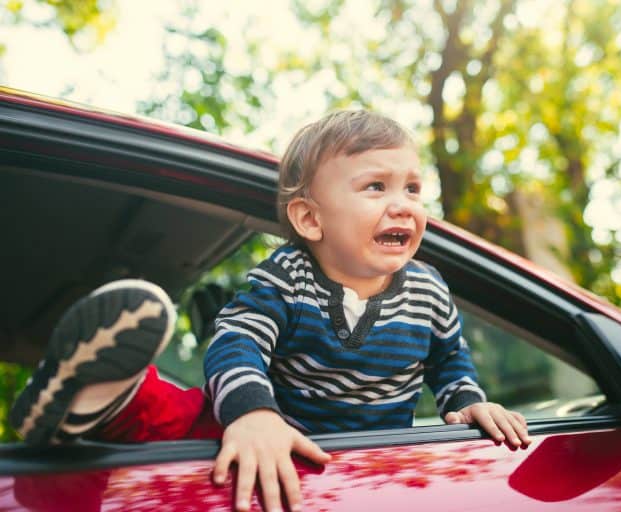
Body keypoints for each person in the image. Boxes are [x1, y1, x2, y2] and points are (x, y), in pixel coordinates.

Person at [11, 110, 531, 512]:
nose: (404, 205)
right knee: (185, 413)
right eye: (376, 186)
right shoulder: (287, 277)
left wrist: (466, 404)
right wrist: (255, 415)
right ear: (309, 219)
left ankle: (98, 401)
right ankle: (102, 396)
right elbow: (237, 340)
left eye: (413, 188)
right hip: (266, 431)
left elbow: (448, 360)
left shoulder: (429, 288)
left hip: (361, 458)